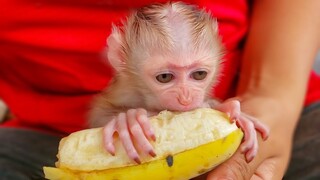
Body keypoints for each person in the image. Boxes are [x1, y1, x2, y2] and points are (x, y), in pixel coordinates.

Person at [0, 0, 319, 179]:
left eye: (199, 74)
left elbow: (204, 106)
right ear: (121, 60)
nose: (186, 96)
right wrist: (119, 120)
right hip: (47, 136)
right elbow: (103, 112)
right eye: (166, 77)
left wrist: (262, 101)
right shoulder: (122, 91)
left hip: (284, 110)